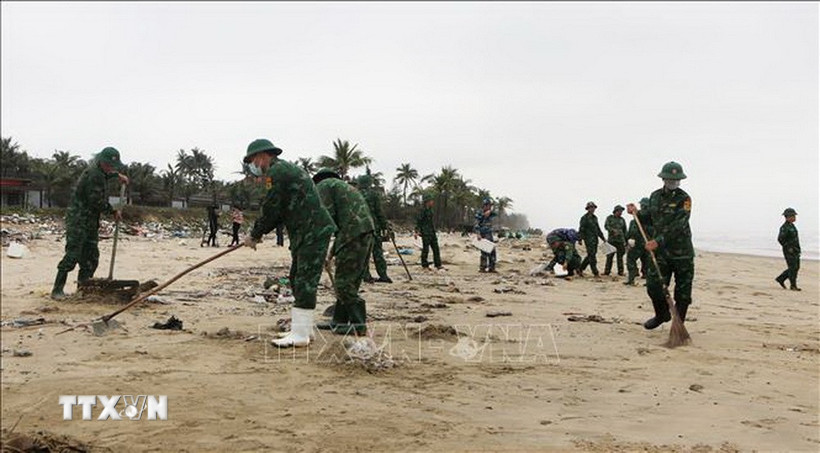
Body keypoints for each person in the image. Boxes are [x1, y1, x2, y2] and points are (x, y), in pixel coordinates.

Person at [242, 139, 336, 348]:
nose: (252, 165)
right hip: (305, 231)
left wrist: (255, 234)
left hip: (313, 230)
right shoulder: (280, 171)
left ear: (263, 156)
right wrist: (257, 234)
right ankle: (305, 329)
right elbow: (278, 211)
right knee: (297, 277)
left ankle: (300, 335)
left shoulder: (278, 172)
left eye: (252, 160)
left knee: (304, 280)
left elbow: (271, 208)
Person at [51, 147, 129, 300]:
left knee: (91, 257)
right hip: (79, 220)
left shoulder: (101, 172)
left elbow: (106, 175)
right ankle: (57, 289)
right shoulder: (94, 175)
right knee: (73, 254)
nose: (111, 168)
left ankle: (83, 288)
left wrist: (117, 176)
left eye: (113, 166)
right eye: (109, 165)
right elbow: (96, 201)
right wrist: (113, 212)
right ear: (101, 161)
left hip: (91, 221)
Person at [627, 161, 694, 330]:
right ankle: (662, 314)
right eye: (670, 179)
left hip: (682, 253)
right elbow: (649, 217)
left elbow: (679, 225)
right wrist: (636, 213)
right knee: (654, 286)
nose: (673, 182)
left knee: (683, 293)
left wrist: (658, 241)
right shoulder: (655, 196)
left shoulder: (684, 199)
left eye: (676, 179)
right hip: (661, 253)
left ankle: (678, 326)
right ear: (663, 178)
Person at [312, 168, 374, 335]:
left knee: (344, 283)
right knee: (349, 279)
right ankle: (339, 320)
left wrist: (320, 250)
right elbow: (340, 225)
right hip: (362, 234)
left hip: (352, 236)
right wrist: (331, 254)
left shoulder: (325, 186)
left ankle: (359, 324)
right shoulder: (343, 188)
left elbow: (326, 220)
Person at [358, 174, 392, 283]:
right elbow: (379, 212)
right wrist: (384, 226)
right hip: (374, 227)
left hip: (360, 227)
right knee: (377, 252)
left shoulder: (356, 194)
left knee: (364, 254)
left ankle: (366, 276)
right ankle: (383, 275)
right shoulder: (374, 195)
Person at [624, 197, 650, 286]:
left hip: (641, 243)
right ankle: (645, 279)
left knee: (632, 259)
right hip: (644, 243)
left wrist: (629, 239)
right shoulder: (636, 220)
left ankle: (633, 278)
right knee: (646, 261)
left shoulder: (642, 219)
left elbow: (632, 232)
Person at [415, 193, 443, 270]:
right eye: (431, 200)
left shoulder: (430, 210)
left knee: (436, 248)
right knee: (425, 249)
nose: (432, 202)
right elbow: (419, 221)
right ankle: (424, 264)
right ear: (427, 201)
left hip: (432, 231)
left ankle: (438, 264)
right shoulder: (422, 210)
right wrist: (417, 231)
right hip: (425, 232)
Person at [775, 208, 801, 291]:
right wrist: (788, 248)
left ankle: (781, 278)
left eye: (794, 216)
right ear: (787, 217)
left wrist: (797, 249)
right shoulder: (784, 227)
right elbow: (780, 239)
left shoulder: (792, 226)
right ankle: (793, 286)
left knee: (796, 267)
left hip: (795, 250)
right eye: (793, 216)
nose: (794, 218)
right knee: (793, 267)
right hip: (789, 251)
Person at [578, 201, 606, 277]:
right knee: (592, 256)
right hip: (588, 239)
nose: (592, 209)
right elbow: (581, 229)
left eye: (593, 207)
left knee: (591, 255)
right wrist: (580, 239)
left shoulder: (595, 218)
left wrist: (603, 238)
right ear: (588, 209)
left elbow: (598, 229)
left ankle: (580, 269)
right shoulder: (584, 218)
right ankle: (595, 272)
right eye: (590, 207)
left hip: (595, 240)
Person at [474, 198, 498, 273]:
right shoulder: (479, 213)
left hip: (489, 233)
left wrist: (490, 211)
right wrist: (478, 234)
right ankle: (482, 267)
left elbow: (495, 214)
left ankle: (492, 267)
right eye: (488, 206)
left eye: (490, 206)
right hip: (483, 234)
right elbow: (476, 224)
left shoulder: (490, 213)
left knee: (492, 251)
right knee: (484, 251)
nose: (489, 207)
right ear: (485, 205)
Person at [604, 205, 628, 276]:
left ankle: (620, 272)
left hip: (620, 241)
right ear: (616, 211)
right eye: (620, 211)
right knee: (609, 256)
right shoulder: (609, 218)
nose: (621, 212)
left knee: (620, 257)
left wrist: (626, 241)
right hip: (611, 240)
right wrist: (612, 230)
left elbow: (625, 231)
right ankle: (607, 271)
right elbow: (606, 226)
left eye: (621, 211)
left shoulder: (622, 220)